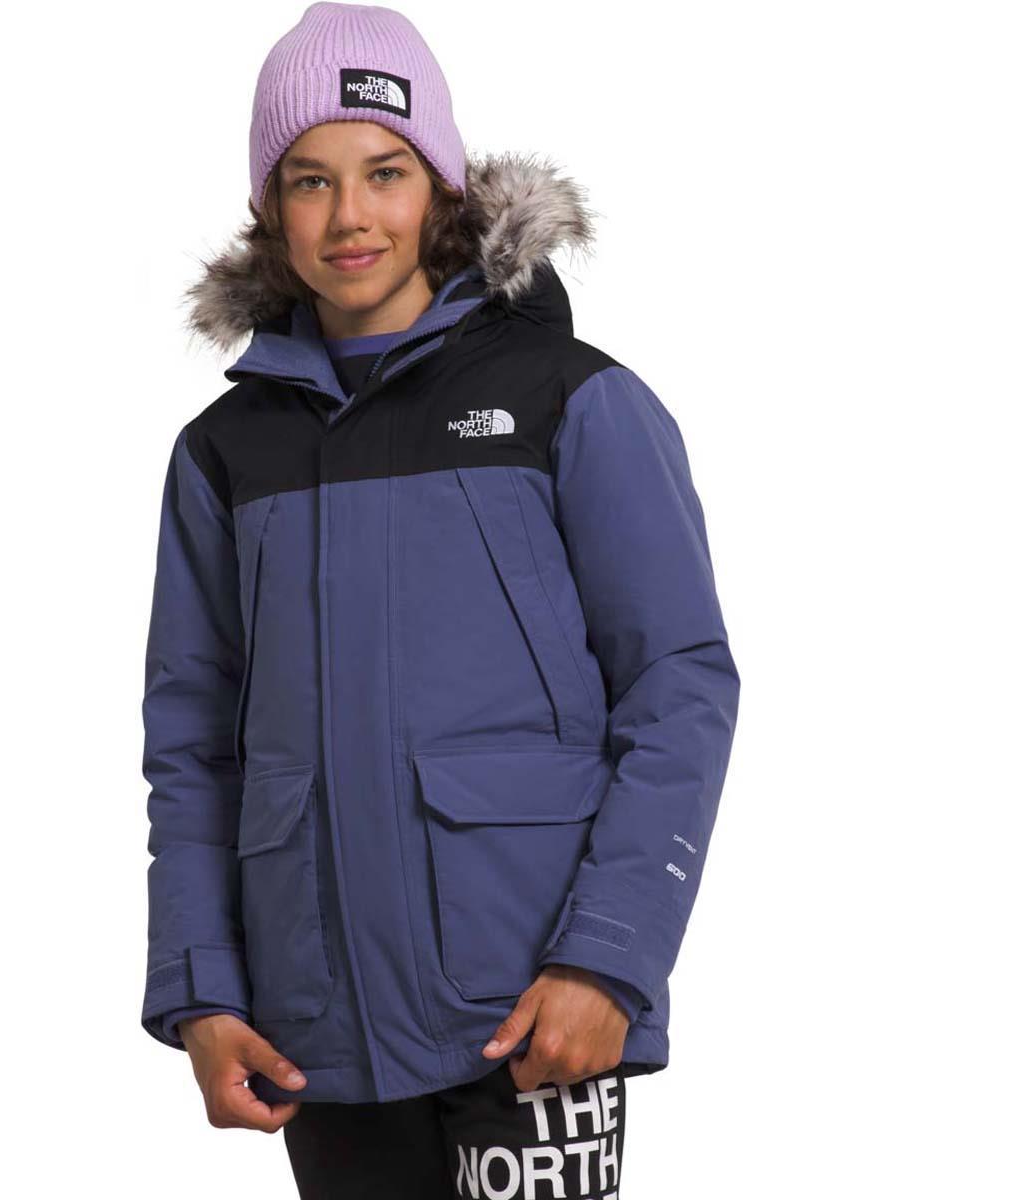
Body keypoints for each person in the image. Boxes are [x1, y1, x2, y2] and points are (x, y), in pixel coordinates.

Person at [139, 4, 740, 1196]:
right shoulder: (225, 453)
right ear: (270, 209)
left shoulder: (572, 403)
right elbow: (194, 743)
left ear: (443, 188)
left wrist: (610, 961)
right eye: (309, 180)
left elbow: (679, 687)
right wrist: (201, 988)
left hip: (532, 1011)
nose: (349, 217)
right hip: (314, 1030)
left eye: (386, 172)